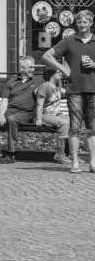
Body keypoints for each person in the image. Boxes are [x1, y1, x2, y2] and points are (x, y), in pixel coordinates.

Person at [42, 10, 95, 173]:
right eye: (79, 22)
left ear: (91, 23)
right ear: (76, 24)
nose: (82, 24)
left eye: (85, 22)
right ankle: (75, 163)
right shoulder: (69, 41)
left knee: (93, 127)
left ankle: (93, 163)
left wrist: (94, 65)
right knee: (75, 128)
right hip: (74, 90)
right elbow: (47, 55)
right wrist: (63, 69)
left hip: (93, 89)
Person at [0, 56, 37, 164]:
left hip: (26, 113)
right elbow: (4, 101)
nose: (33, 69)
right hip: (9, 111)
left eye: (33, 67)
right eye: (30, 67)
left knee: (11, 119)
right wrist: (1, 115)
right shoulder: (11, 82)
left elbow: (49, 88)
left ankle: (11, 153)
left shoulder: (37, 81)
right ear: (22, 68)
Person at [34, 66, 71, 164]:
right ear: (52, 75)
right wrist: (38, 119)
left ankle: (67, 153)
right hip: (44, 115)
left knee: (72, 122)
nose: (61, 73)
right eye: (58, 72)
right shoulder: (44, 87)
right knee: (63, 123)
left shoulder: (57, 84)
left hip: (56, 115)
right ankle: (60, 154)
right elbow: (39, 104)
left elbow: (66, 92)